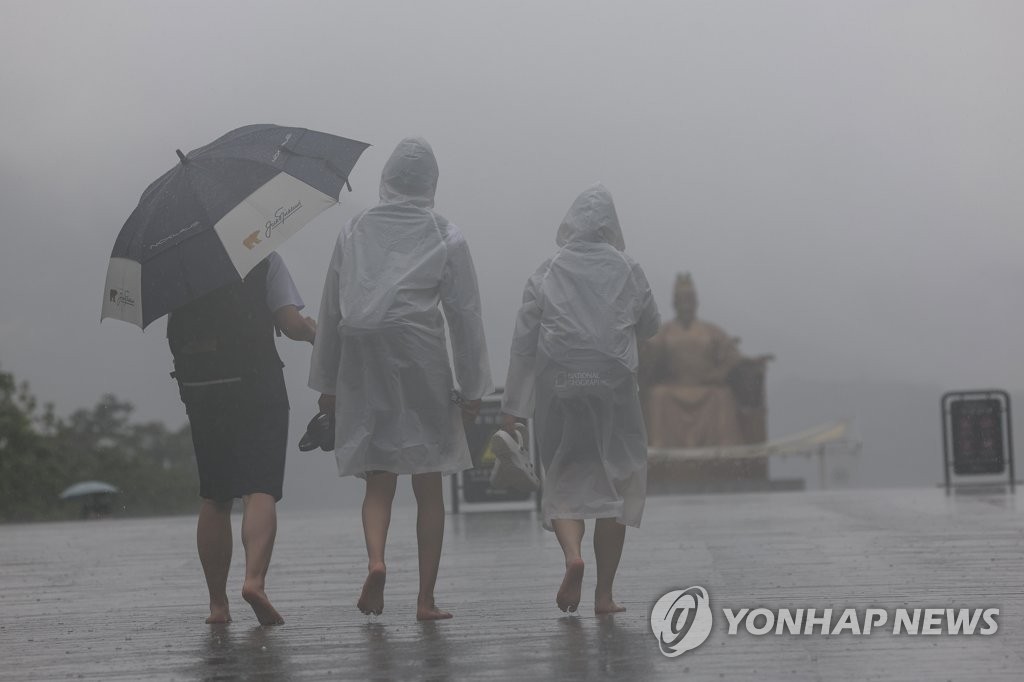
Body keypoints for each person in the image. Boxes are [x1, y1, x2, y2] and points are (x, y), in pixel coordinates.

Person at [308, 137, 492, 621]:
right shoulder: (445, 232)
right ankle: (426, 600)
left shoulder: (354, 228)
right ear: (430, 182)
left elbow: (331, 306)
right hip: (420, 351)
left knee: (378, 473)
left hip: (362, 353)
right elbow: (464, 314)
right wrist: (473, 390)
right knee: (428, 478)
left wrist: (327, 380)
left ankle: (376, 561)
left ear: (387, 178)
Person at [498, 184, 660, 615]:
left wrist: (513, 408)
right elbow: (650, 324)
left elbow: (523, 341)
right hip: (613, 386)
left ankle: (573, 556)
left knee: (565, 473)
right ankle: (604, 596)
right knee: (618, 477)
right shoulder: (628, 268)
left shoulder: (548, 270)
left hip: (561, 383)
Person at [168, 251, 316, 626]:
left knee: (215, 496)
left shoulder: (179, 259)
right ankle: (254, 581)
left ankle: (218, 606)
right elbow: (290, 322)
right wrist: (313, 332)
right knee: (259, 487)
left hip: (202, 387)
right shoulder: (262, 256)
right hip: (256, 381)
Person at [640, 273, 745, 449]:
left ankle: (726, 450)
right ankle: (659, 447)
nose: (686, 304)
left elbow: (732, 355)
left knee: (722, 396)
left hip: (705, 388)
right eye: (682, 299)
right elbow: (649, 353)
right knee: (658, 396)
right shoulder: (665, 331)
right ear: (675, 303)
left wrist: (719, 373)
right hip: (674, 387)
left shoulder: (711, 330)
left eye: (690, 299)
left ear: (696, 302)